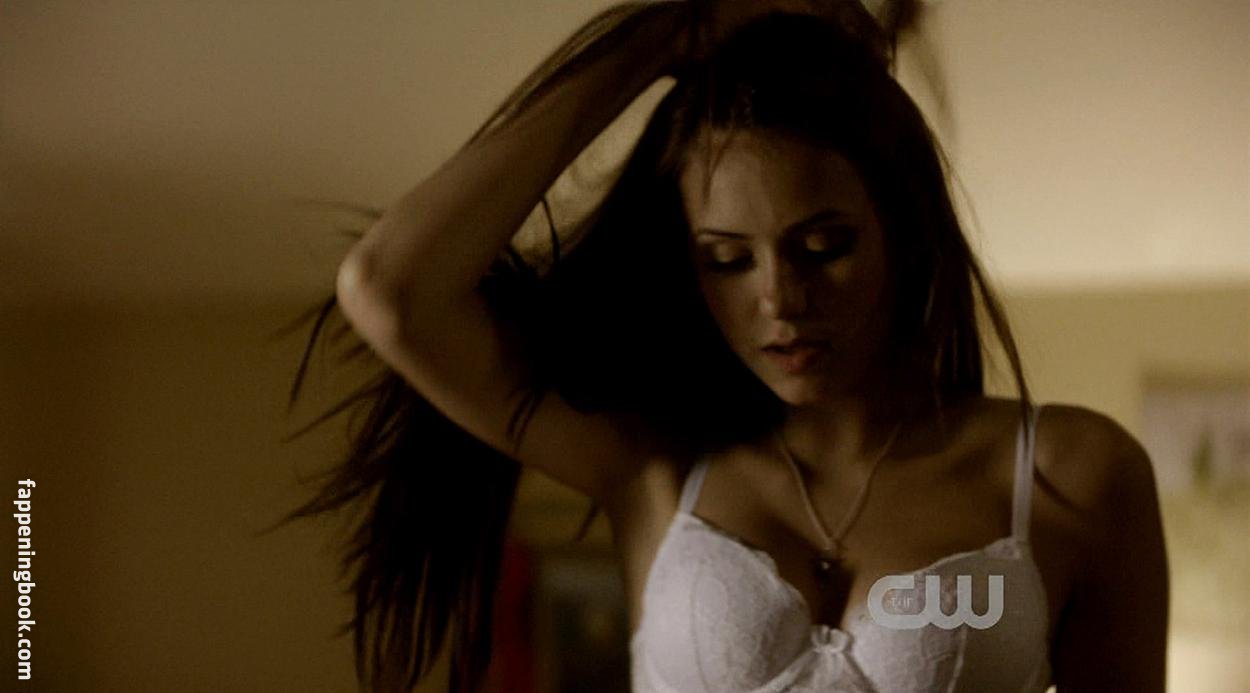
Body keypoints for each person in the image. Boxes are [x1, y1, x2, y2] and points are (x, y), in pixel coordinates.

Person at [287, 1, 1168, 691]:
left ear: (904, 231)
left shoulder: (1070, 475)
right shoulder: (652, 465)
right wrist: (666, 36)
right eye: (727, 259)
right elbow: (390, 291)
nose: (779, 299)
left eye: (823, 245)